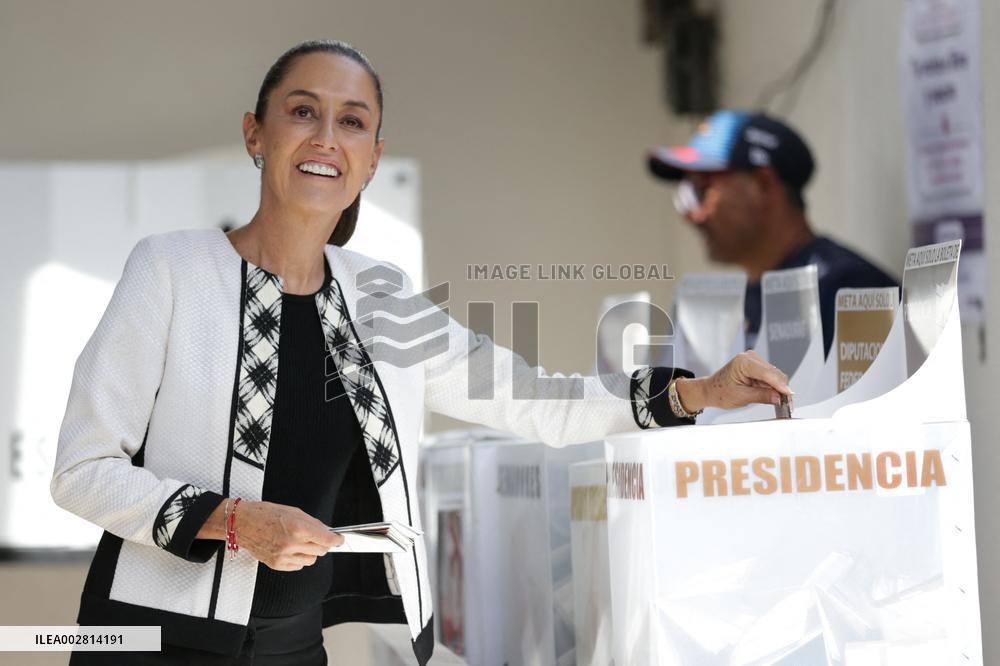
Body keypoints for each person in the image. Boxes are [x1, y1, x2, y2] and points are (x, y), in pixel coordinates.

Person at [51, 41, 792, 666]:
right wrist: (236, 521)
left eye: (352, 121)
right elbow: (83, 471)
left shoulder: (380, 295)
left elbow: (529, 399)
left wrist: (693, 395)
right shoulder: (172, 270)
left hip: (295, 646)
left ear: (373, 159)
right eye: (302, 111)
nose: (324, 138)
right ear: (256, 133)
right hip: (151, 640)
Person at [648, 110, 899, 355]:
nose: (691, 215)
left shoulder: (849, 290)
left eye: (701, 191)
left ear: (763, 186)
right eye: (685, 196)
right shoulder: (732, 306)